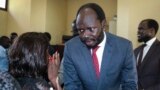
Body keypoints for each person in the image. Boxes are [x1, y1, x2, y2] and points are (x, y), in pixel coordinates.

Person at [63, 3, 137, 90]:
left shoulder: (124, 47)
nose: (85, 35)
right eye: (81, 30)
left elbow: (130, 84)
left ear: (103, 24)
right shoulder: (71, 48)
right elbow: (72, 84)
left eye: (91, 29)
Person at [134, 19, 160, 90]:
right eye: (138, 29)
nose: (138, 31)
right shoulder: (136, 51)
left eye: (141, 29)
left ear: (151, 31)